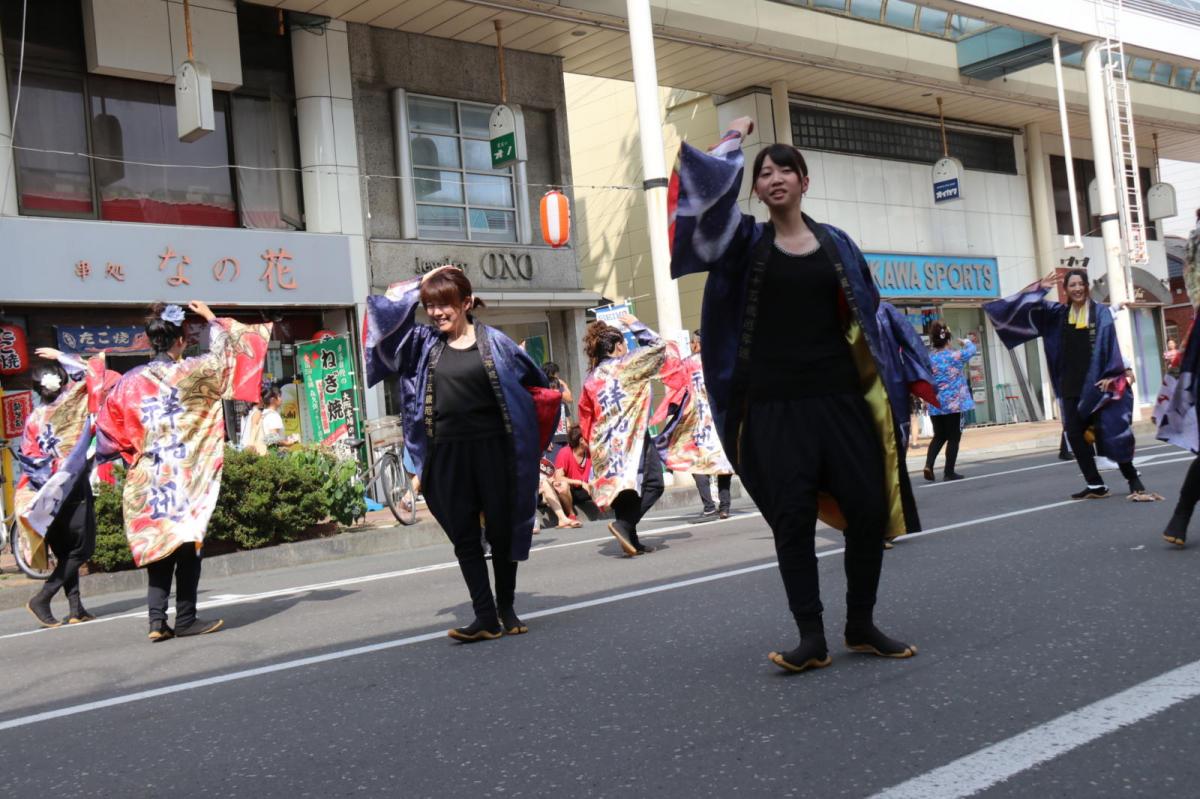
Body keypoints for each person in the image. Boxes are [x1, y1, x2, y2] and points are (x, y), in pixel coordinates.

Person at [669, 116, 921, 673]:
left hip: (842, 399)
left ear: (804, 181)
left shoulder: (838, 243)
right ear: (755, 189)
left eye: (786, 168)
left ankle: (860, 624)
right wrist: (732, 139)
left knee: (867, 508)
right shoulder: (744, 243)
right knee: (791, 519)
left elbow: (869, 311)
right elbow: (702, 208)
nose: (776, 177)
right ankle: (811, 636)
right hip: (772, 406)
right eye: (765, 172)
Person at [363, 266, 553, 642]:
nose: (436, 313)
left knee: (501, 533)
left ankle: (506, 607)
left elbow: (537, 388)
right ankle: (484, 616)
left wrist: (532, 441)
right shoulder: (421, 343)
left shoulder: (496, 343)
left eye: (444, 304)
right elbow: (383, 319)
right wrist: (423, 282)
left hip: (496, 454)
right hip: (445, 457)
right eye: (429, 305)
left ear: (465, 303)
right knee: (464, 537)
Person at [98, 301, 271, 641]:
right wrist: (212, 319)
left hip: (149, 477)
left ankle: (156, 622)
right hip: (188, 476)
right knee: (189, 546)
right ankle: (187, 618)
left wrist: (134, 453)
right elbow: (229, 358)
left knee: (160, 548)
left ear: (152, 341)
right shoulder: (194, 370)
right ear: (180, 340)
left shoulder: (129, 383)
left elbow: (108, 433)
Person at [985, 269, 1159, 501]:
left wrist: (1116, 372)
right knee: (1076, 436)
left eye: (1080, 284)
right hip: (1069, 384)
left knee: (1111, 430)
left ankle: (1133, 479)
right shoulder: (1057, 314)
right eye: (1072, 285)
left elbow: (1111, 345)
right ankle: (1095, 484)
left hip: (1097, 383)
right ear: (1065, 289)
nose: (1077, 288)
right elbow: (1018, 309)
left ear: (1087, 286)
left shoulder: (1100, 313)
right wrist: (1040, 288)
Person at [15, 348, 117, 628]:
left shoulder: (33, 419)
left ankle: (76, 607)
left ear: (37, 388)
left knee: (64, 548)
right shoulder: (72, 402)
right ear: (61, 382)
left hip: (46, 488)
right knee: (82, 548)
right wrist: (60, 354)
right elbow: (92, 373)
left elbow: (28, 456)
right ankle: (43, 597)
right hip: (71, 483)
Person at [578, 315, 666, 556]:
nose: (626, 347)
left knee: (622, 491)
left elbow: (586, 415)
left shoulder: (591, 378)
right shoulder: (628, 363)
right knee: (654, 484)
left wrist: (590, 444)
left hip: (604, 443)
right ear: (617, 346)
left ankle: (630, 541)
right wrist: (634, 324)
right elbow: (658, 346)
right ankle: (624, 525)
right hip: (632, 438)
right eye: (624, 343)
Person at [655, 329, 735, 520]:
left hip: (698, 422)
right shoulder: (720, 361)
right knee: (723, 463)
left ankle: (709, 505)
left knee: (697, 464)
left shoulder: (689, 363)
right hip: (719, 420)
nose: (691, 345)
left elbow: (675, 380)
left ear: (698, 344)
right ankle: (724, 507)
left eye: (693, 342)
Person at [923, 322, 976, 482]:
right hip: (954, 405)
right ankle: (949, 471)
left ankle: (928, 465)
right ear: (948, 339)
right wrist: (966, 341)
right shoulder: (955, 356)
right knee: (954, 437)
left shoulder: (929, 358)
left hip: (936, 404)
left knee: (939, 436)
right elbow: (972, 350)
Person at [553, 424, 593, 521]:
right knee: (562, 485)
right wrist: (580, 482)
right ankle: (571, 514)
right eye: (588, 436)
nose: (591, 438)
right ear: (581, 440)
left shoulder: (591, 452)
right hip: (570, 492)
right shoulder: (565, 452)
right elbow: (558, 477)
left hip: (587, 489)